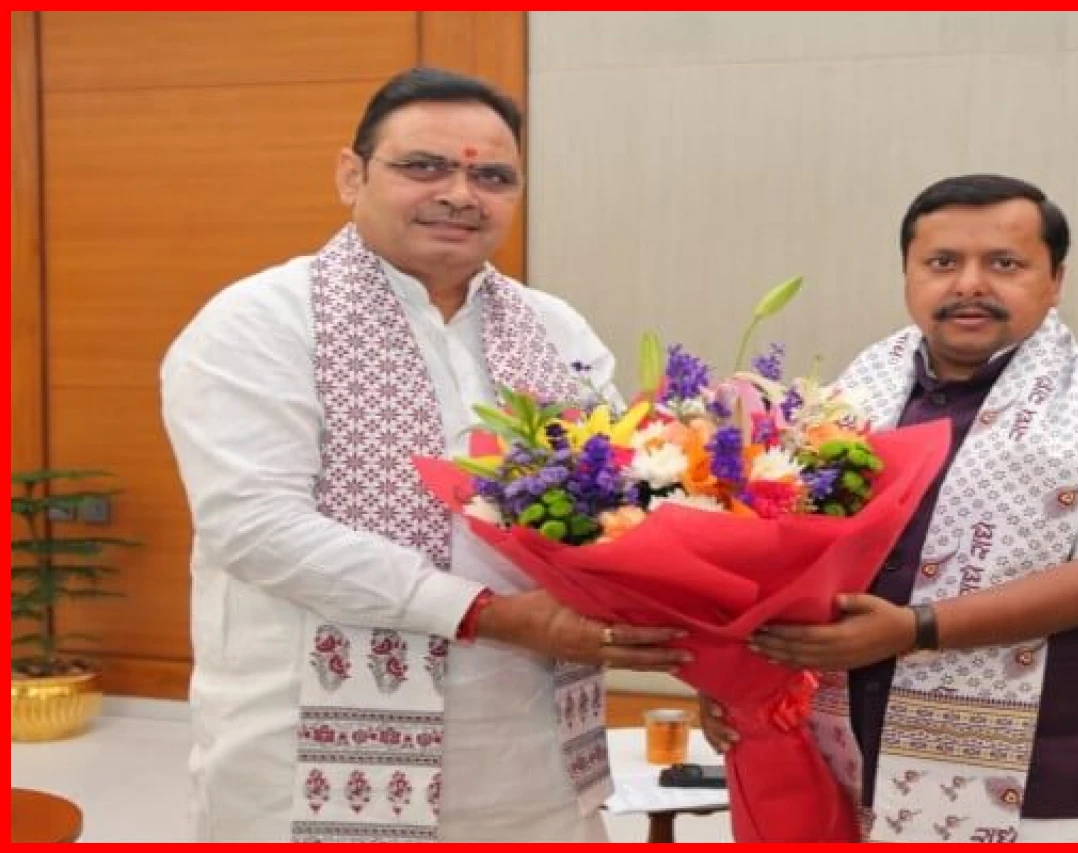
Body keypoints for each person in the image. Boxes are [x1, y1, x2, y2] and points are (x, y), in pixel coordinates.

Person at [160, 67, 689, 843]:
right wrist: (491, 615)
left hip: (528, 757)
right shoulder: (260, 321)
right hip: (308, 759)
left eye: (491, 175)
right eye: (424, 166)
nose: (460, 193)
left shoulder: (554, 328)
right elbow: (255, 525)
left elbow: (624, 497)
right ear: (352, 174)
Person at [703, 174, 1078, 843]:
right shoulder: (847, 404)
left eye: (1004, 263)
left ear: (1054, 279)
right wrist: (740, 677)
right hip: (857, 776)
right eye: (942, 263)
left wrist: (914, 628)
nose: (970, 284)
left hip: (1065, 797)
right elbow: (783, 559)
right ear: (908, 276)